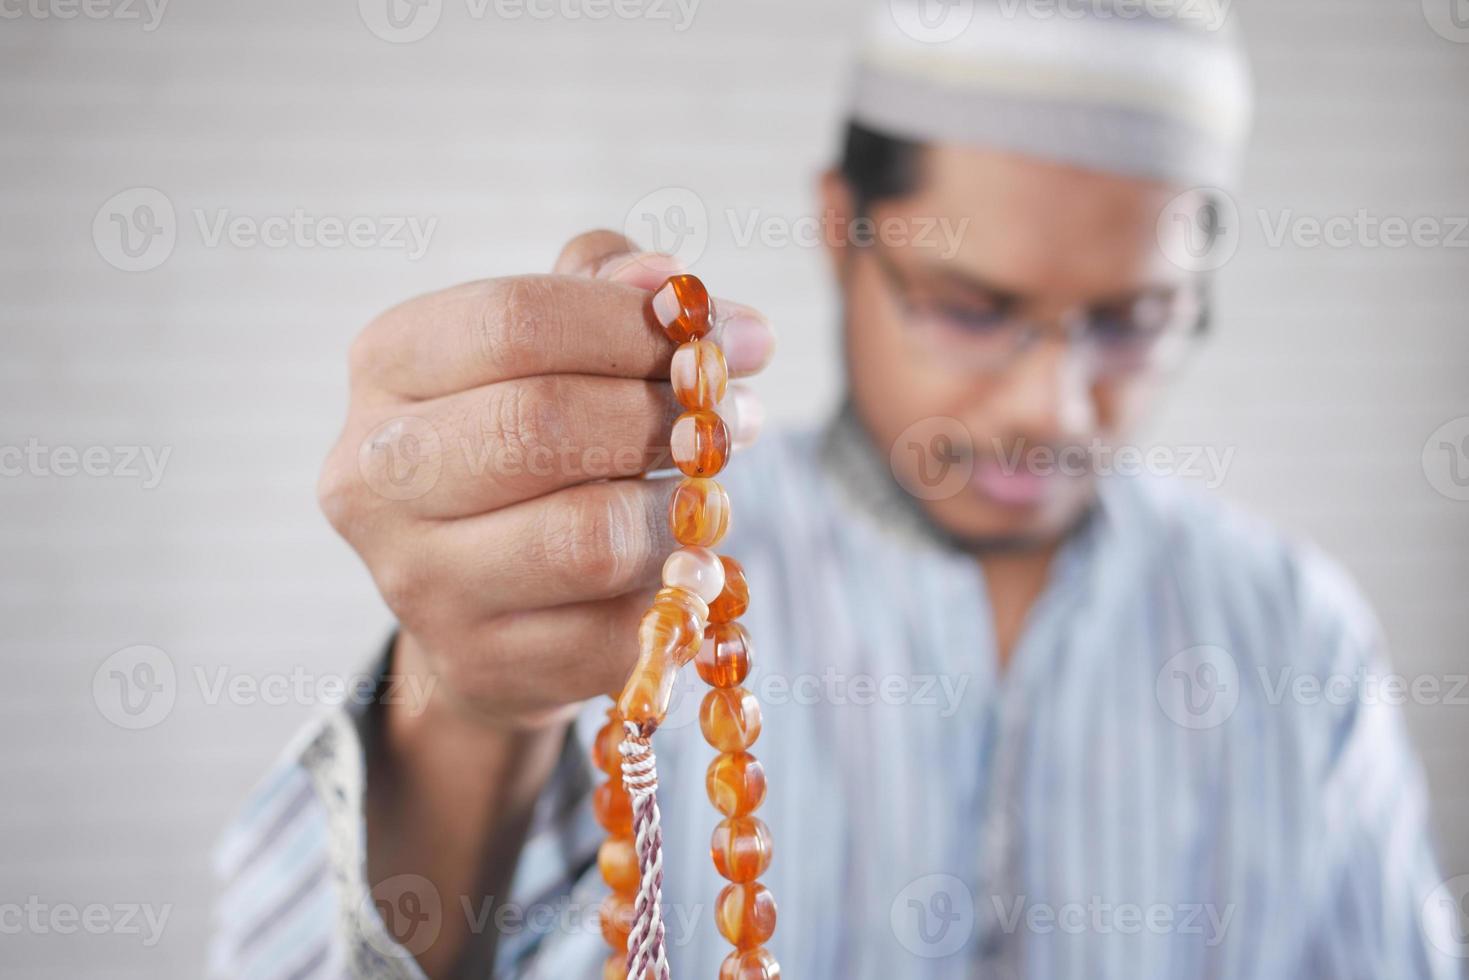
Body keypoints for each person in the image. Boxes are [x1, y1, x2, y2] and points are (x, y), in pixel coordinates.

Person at [209, 3, 1457, 978]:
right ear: (841, 227)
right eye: (974, 309)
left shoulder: (1292, 632)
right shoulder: (634, 563)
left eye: (1132, 322)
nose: (1052, 405)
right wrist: (471, 707)